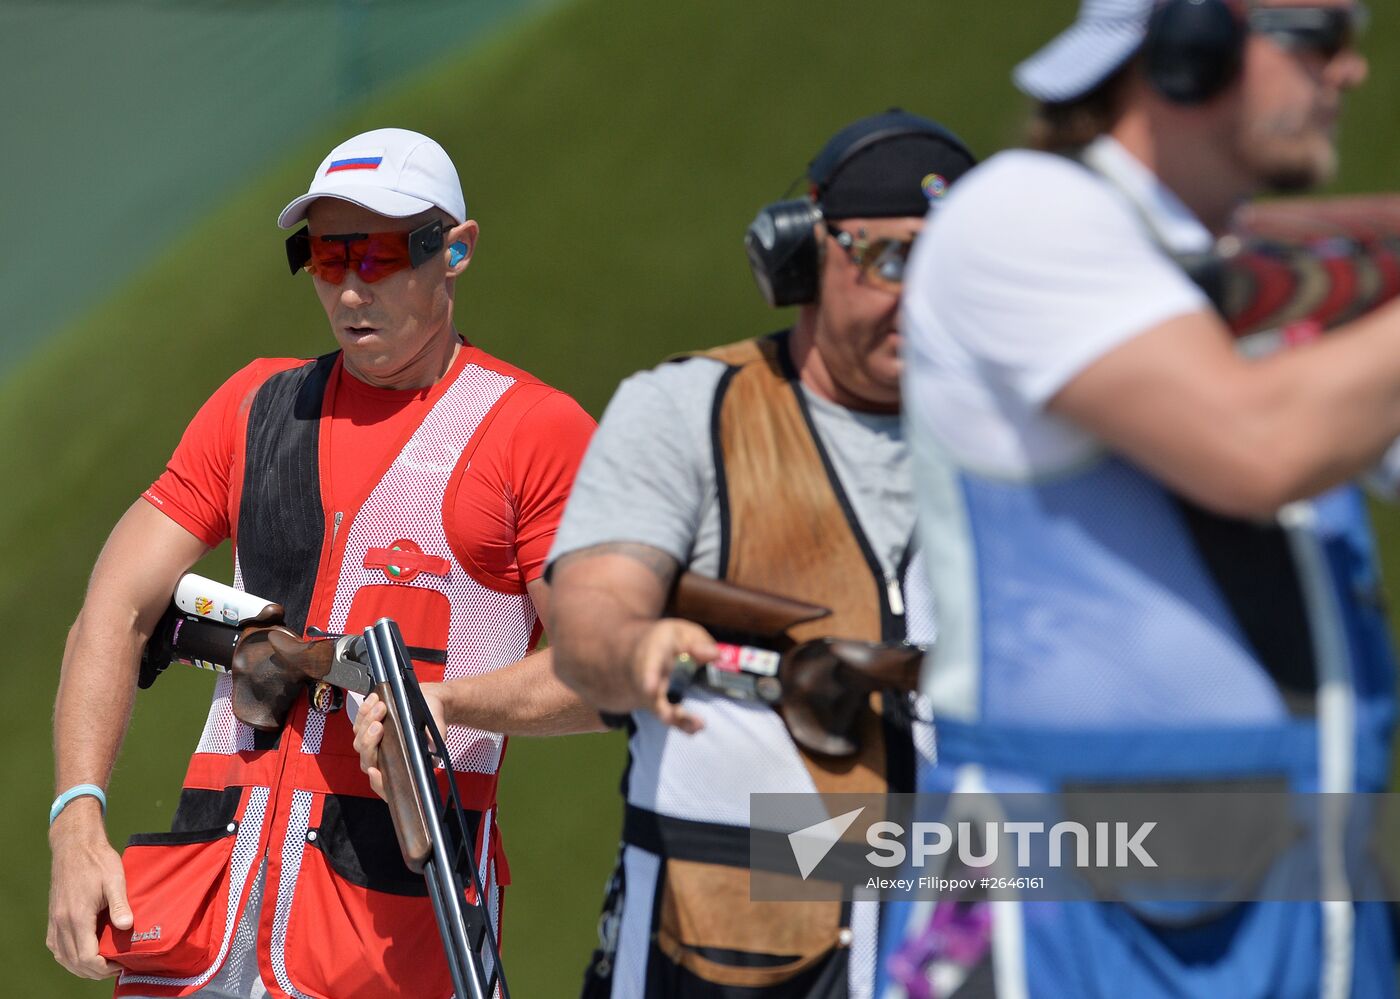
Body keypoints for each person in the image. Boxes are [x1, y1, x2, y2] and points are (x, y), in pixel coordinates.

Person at [886, 1, 1397, 997]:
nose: (1348, 73)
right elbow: (1255, 445)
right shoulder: (1020, 216)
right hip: (1077, 912)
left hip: (1311, 887)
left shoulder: (1245, 271)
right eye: (1315, 38)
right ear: (1185, 49)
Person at [46, 127, 601, 999]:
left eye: (377, 253)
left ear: (454, 249)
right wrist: (74, 819)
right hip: (198, 939)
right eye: (323, 254)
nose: (348, 284)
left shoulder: (535, 432)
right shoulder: (253, 404)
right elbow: (113, 610)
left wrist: (447, 704)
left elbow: (610, 672)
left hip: (395, 952)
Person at [545, 111, 977, 998]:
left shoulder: (1019, 443)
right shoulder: (684, 409)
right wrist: (637, 648)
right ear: (805, 254)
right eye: (893, 260)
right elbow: (587, 625)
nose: (923, 297)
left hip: (947, 942)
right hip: (719, 949)